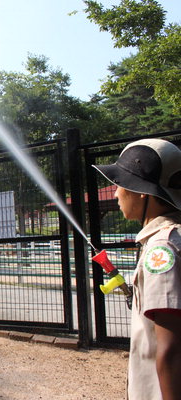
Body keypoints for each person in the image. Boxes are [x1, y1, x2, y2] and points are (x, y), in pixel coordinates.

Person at [93, 138, 181, 400]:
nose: (116, 193)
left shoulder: (162, 248)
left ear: (141, 190)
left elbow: (171, 351)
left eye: (119, 184)